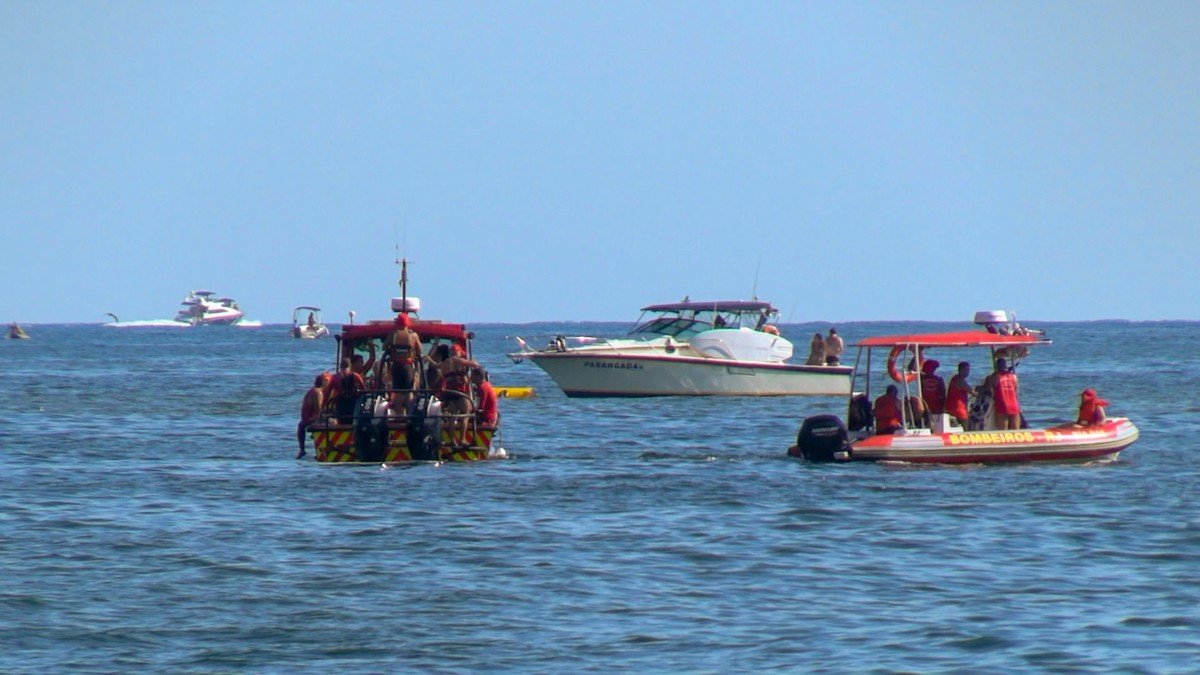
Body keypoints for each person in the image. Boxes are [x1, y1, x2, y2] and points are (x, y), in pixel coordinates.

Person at [436, 344, 479, 446]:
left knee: (453, 416)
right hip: (460, 392)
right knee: (466, 413)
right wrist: (472, 361)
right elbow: (474, 365)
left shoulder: (444, 363)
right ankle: (462, 439)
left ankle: (452, 440)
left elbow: (436, 366)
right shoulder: (457, 360)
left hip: (449, 392)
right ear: (458, 352)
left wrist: (428, 359)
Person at [384, 314, 423, 409]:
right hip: (408, 367)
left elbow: (384, 347)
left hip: (396, 367)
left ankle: (399, 415)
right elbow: (420, 350)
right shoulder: (413, 335)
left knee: (397, 393)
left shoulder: (392, 334)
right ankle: (410, 414)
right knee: (409, 392)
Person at [326, 357, 366, 424]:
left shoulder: (334, 377)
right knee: (353, 420)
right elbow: (364, 391)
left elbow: (327, 394)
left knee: (341, 421)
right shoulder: (356, 376)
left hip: (340, 404)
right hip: (353, 403)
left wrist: (323, 406)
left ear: (340, 366)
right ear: (350, 365)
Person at [296, 374, 325, 458]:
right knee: (332, 421)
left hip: (304, 419)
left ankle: (302, 449)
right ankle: (322, 448)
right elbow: (319, 409)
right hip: (312, 418)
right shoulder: (318, 392)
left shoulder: (311, 391)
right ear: (324, 383)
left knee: (301, 425)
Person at [991, 357, 1021, 429]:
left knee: (1002, 430)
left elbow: (988, 387)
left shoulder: (995, 376)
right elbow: (1016, 391)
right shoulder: (1013, 376)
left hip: (1002, 404)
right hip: (1013, 403)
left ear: (997, 366)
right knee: (1015, 429)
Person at [945, 361, 972, 427]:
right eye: (967, 370)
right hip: (958, 410)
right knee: (966, 428)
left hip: (951, 408)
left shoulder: (955, 378)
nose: (968, 372)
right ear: (961, 370)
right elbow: (973, 392)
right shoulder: (960, 380)